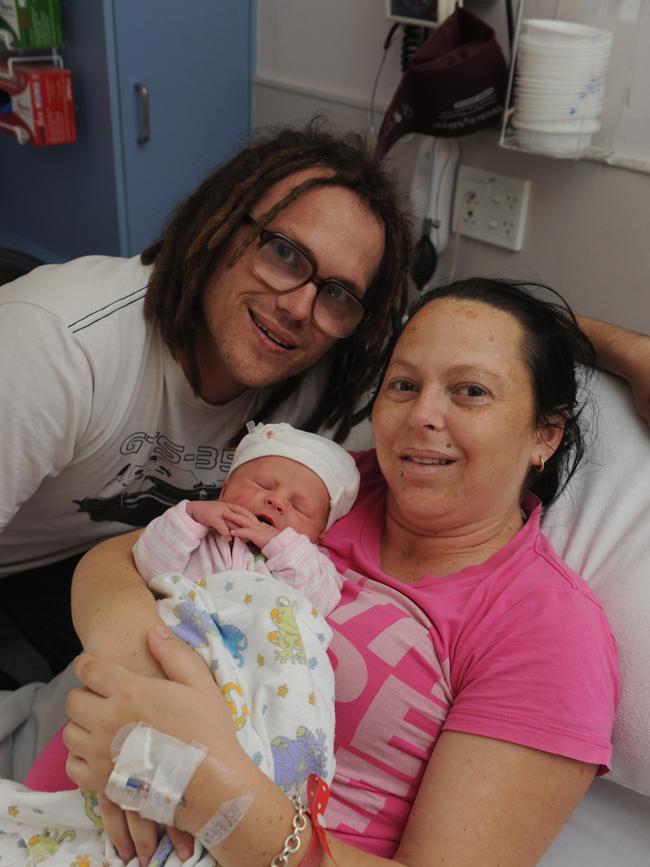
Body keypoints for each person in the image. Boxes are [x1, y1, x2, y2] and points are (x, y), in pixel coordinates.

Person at [0, 119, 647, 687]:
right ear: (220, 225)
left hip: (135, 571)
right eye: (283, 254)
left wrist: (630, 353)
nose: (299, 307)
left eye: (338, 292)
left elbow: (472, 334)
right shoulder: (55, 345)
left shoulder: (326, 362)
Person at [61, 278, 618, 867]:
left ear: (545, 435)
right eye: (403, 384)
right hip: (83, 797)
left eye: (471, 391)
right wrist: (144, 689)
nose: (422, 416)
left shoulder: (547, 629)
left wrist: (204, 785)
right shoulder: (331, 489)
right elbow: (115, 560)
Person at [24, 421, 359, 799]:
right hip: (184, 657)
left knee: (250, 747)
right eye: (262, 485)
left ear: (318, 534)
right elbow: (150, 566)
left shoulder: (308, 561)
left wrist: (281, 544)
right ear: (226, 487)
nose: (276, 501)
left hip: (256, 676)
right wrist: (189, 516)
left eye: (299, 507)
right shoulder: (200, 534)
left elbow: (319, 600)